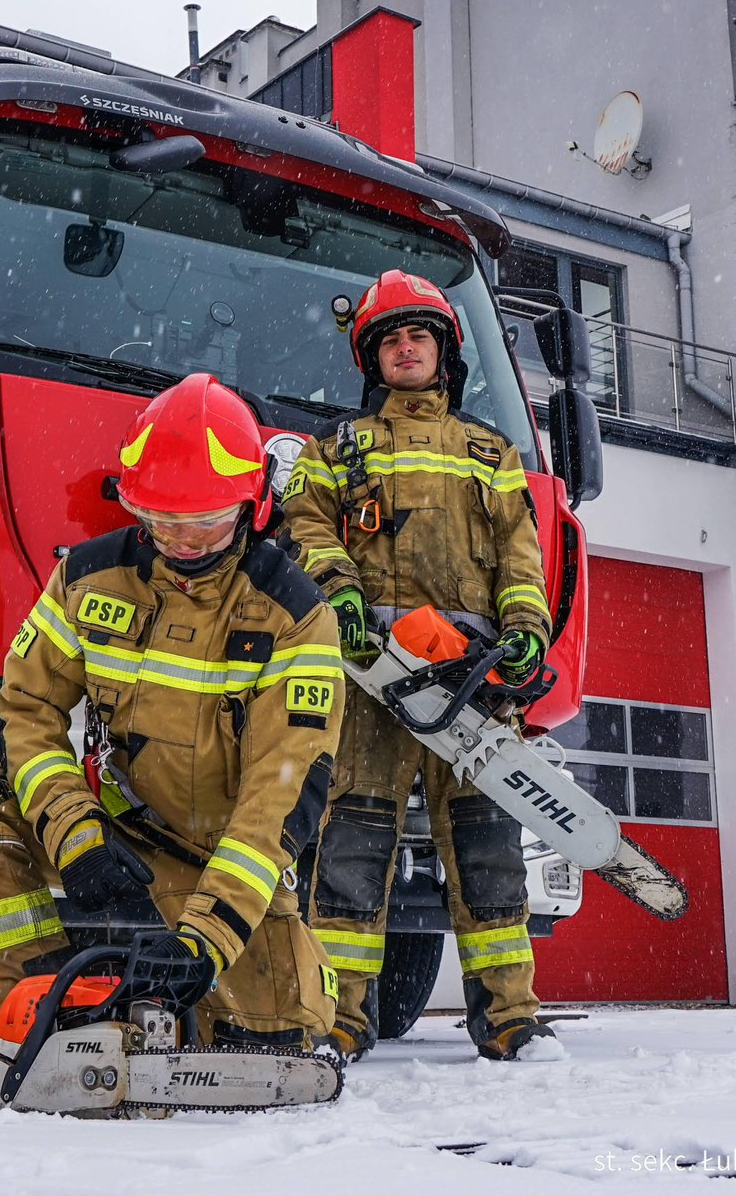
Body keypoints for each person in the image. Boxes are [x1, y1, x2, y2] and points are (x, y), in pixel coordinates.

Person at [0, 373, 345, 1051]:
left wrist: (204, 939)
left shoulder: (296, 617)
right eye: (164, 521)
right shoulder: (86, 581)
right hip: (110, 835)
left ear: (252, 506)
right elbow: (26, 710)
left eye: (206, 521)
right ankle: (49, 1018)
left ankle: (222, 987)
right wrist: (73, 831)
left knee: (271, 1041)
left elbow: (276, 804)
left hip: (221, 864)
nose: (184, 542)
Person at [282, 269, 556, 1061]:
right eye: (392, 339)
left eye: (418, 336)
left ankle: (510, 1019)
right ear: (372, 358)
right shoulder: (334, 450)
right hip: (375, 675)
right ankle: (338, 1019)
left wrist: (526, 630)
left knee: (488, 846)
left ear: (444, 352)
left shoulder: (491, 451)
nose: (406, 349)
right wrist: (338, 591)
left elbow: (521, 555)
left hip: (473, 679)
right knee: (353, 843)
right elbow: (305, 525)